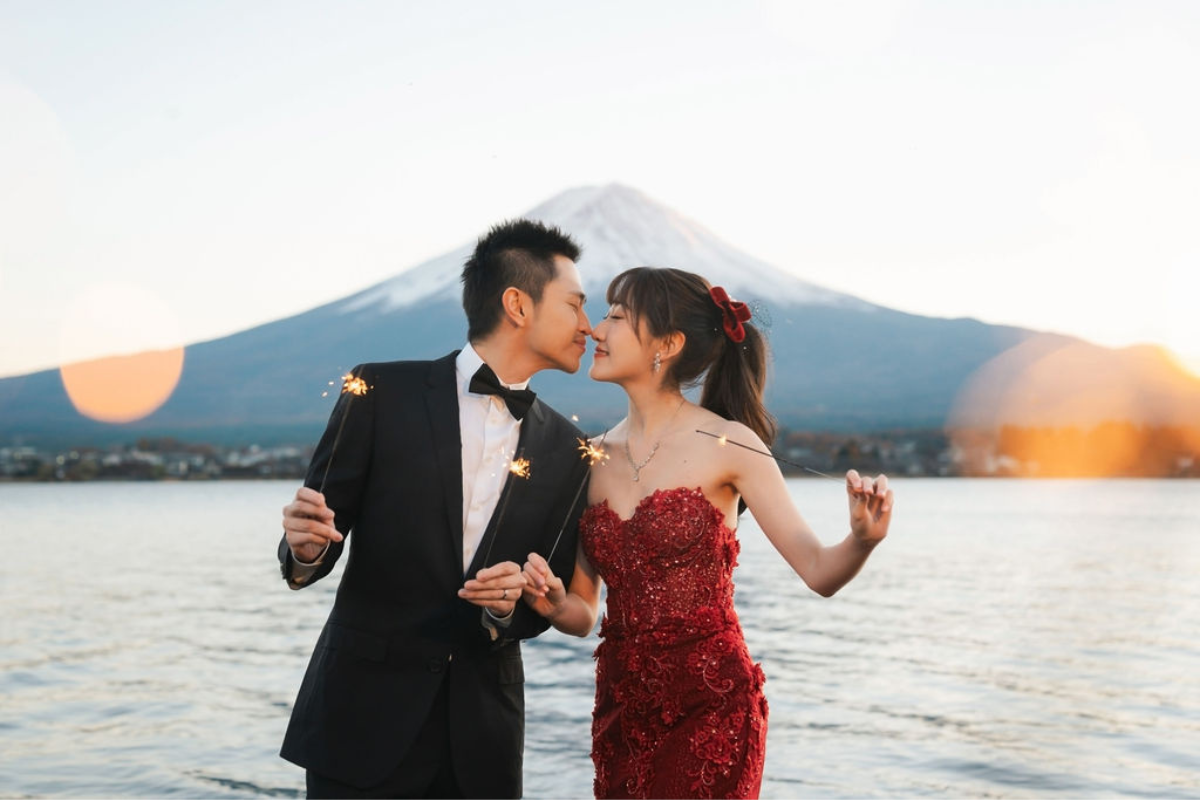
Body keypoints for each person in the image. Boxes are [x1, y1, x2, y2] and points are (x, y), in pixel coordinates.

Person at [520, 267, 895, 799]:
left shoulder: (730, 444)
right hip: (621, 709)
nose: (596, 331)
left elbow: (819, 572)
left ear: (667, 345)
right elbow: (584, 612)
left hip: (711, 704)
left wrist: (862, 540)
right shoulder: (592, 457)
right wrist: (554, 603)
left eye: (618, 317)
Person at [277, 219, 593, 798]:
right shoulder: (377, 393)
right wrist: (305, 550)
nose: (588, 326)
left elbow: (546, 598)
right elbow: (317, 533)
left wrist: (506, 609)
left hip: (483, 744)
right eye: (575, 306)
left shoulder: (570, 450)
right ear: (518, 305)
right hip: (360, 722)